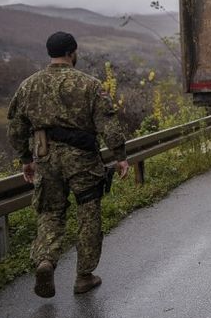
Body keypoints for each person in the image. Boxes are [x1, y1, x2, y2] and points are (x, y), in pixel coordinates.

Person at [7, 32, 130, 298]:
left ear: (50, 53)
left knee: (50, 212)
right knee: (88, 213)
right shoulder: (90, 85)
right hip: (83, 161)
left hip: (46, 158)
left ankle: (46, 261)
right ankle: (84, 276)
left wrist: (26, 159)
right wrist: (120, 156)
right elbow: (108, 125)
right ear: (72, 52)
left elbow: (16, 128)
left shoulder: (29, 86)